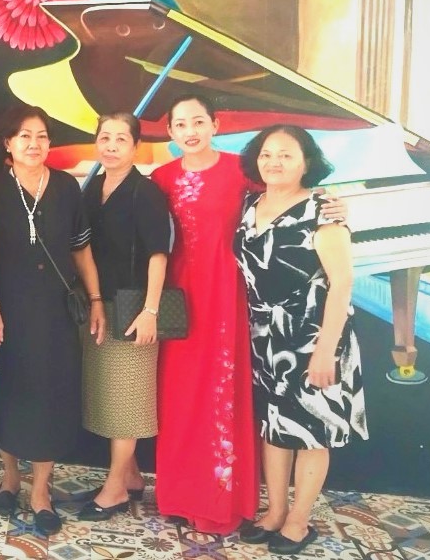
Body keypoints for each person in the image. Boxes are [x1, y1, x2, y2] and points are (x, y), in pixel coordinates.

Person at [234, 125, 367, 556]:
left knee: (312, 430)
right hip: (264, 337)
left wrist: (326, 350)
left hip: (313, 337)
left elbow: (342, 283)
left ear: (306, 162)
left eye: (286, 155)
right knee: (274, 425)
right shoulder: (249, 204)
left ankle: (299, 520)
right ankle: (275, 511)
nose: (274, 162)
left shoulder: (323, 211)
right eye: (266, 153)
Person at [0, 103, 104, 536]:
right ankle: (10, 478)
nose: (34, 144)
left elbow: (81, 249)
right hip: (9, 308)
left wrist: (96, 299)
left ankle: (40, 491)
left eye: (41, 136)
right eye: (25, 136)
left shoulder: (67, 187)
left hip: (54, 309)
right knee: (11, 389)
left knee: (50, 394)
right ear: (8, 143)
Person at [148, 93, 259, 533]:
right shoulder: (161, 177)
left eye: (198, 122)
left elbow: (286, 202)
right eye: (181, 124)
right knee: (178, 394)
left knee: (221, 390)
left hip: (226, 292)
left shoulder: (243, 171)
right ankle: (179, 495)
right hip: (178, 296)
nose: (190, 131)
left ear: (215, 124)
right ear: (170, 132)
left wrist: (331, 206)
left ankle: (221, 499)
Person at [77, 112, 171, 524]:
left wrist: (151, 310)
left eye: (121, 139)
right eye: (105, 138)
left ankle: (114, 489)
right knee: (107, 395)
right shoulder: (91, 188)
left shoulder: (145, 192)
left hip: (134, 309)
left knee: (127, 401)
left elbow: (158, 254)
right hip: (98, 306)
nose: (111, 146)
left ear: (136, 146)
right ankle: (130, 476)